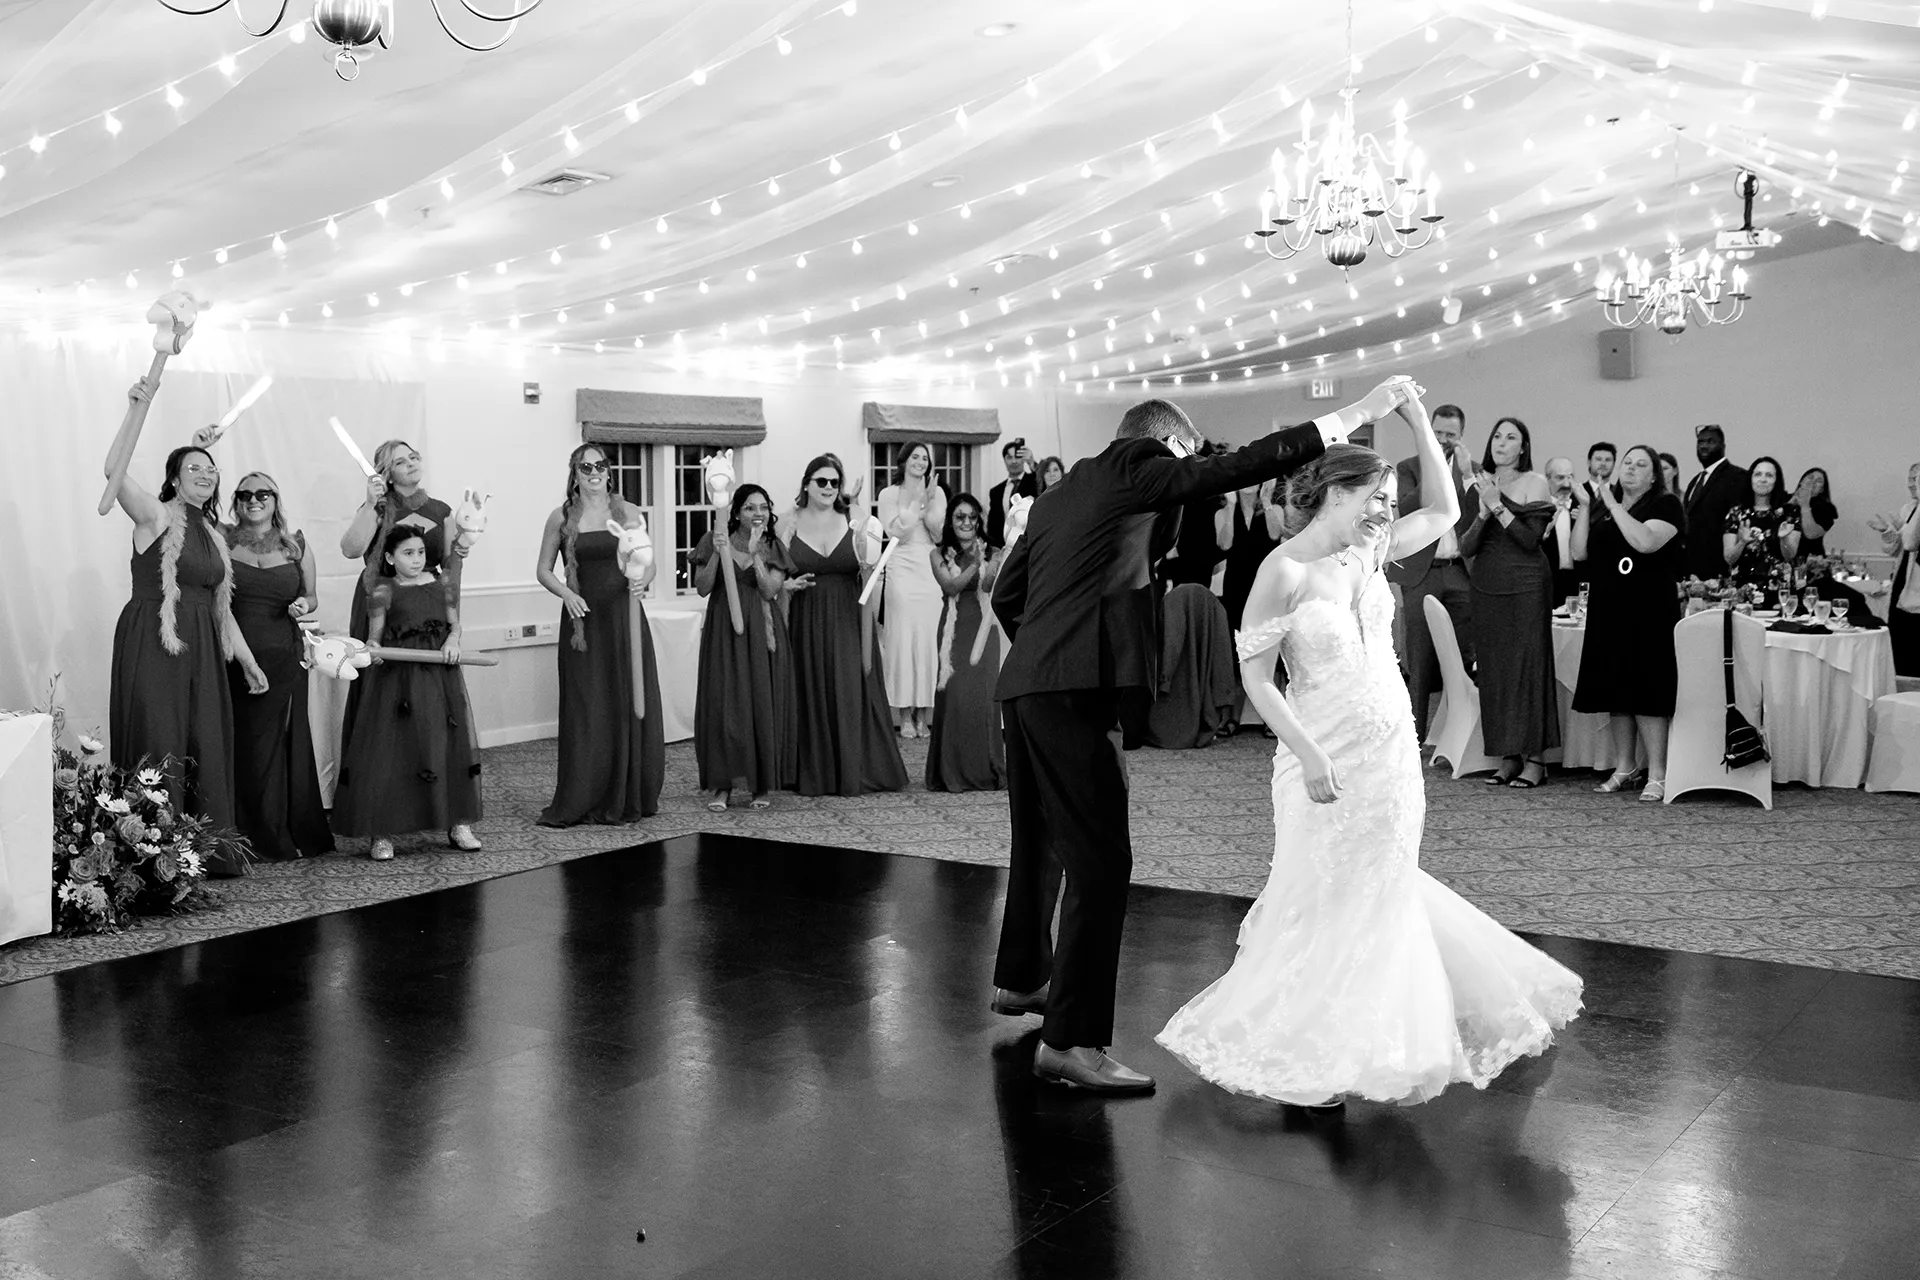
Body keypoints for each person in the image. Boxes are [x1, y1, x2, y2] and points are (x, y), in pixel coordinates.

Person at [1157, 392, 1581, 1108]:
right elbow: (1256, 680)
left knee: (1382, 888)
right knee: (1320, 894)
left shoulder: (1372, 550)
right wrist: (1309, 752)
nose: (1386, 510)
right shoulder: (1282, 571)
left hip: (1391, 758)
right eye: (1375, 497)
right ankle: (1306, 1044)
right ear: (1332, 493)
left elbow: (1446, 514)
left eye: (1389, 498)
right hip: (1318, 755)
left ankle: (1370, 1040)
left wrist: (1419, 424)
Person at [989, 378, 1412, 1096]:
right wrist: (1353, 417)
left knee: (1041, 840)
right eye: (1183, 458)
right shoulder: (1138, 467)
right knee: (1100, 860)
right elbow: (1234, 466)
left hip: (1028, 685)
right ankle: (1070, 1041)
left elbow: (1008, 593)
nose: (1183, 477)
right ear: (1167, 442)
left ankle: (1025, 980)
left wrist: (1045, 655)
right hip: (1071, 692)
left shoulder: (1065, 492)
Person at [105, 386, 268, 875]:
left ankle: (201, 855)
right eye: (192, 469)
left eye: (210, 469)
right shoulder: (156, 516)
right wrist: (137, 408)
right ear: (173, 480)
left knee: (203, 740)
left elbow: (221, 607)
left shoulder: (215, 536)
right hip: (156, 640)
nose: (205, 474)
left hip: (201, 648)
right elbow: (113, 471)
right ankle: (153, 859)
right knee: (160, 738)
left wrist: (247, 658)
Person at [330, 527, 483, 860]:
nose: (416, 559)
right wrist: (374, 650)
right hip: (395, 682)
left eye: (420, 553)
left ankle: (457, 823)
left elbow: (454, 625)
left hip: (440, 680)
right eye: (408, 553)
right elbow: (375, 637)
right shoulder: (383, 591)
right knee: (391, 751)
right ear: (389, 558)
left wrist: (453, 641)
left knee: (444, 745)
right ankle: (382, 833)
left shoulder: (443, 587)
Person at [533, 444, 665, 826]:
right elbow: (543, 570)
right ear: (574, 472)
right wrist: (567, 593)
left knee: (626, 701)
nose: (594, 472)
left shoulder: (629, 514)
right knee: (587, 706)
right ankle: (585, 793)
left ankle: (628, 792)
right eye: (585, 466)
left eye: (600, 465)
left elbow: (649, 562)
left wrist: (645, 583)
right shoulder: (560, 518)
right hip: (583, 624)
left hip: (624, 618)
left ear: (610, 471)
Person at [224, 473, 333, 860]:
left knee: (283, 743)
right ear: (236, 502)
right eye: (246, 494)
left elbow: (312, 597)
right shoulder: (221, 540)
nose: (255, 500)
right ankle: (244, 833)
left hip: (286, 656)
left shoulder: (296, 545)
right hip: (234, 659)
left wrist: (304, 605)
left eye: (263, 494)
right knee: (243, 745)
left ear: (275, 500)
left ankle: (283, 828)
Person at [786, 455, 909, 797]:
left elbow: (872, 563)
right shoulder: (788, 521)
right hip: (805, 617)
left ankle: (857, 765)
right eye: (821, 481)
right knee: (810, 686)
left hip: (849, 614)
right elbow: (775, 568)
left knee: (850, 683)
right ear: (806, 483)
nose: (828, 488)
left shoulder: (855, 517)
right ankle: (813, 769)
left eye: (834, 482)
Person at [1572, 445, 1687, 802]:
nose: (1632, 469)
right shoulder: (1607, 508)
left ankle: (1658, 773)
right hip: (1610, 606)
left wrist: (1612, 504)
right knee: (1615, 688)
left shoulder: (1665, 506)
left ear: (1655, 475)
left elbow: (1645, 542)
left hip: (1649, 608)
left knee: (1647, 691)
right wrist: (1589, 507)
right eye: (1628, 463)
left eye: (1641, 465)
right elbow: (1579, 552)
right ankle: (1625, 767)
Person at [337, 440, 460, 744]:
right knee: (382, 688)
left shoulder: (441, 510)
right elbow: (350, 550)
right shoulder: (377, 508)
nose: (411, 463)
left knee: (429, 691)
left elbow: (451, 568)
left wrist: (454, 623)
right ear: (386, 473)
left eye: (413, 457)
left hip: (426, 607)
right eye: (400, 461)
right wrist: (369, 505)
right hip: (382, 605)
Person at [1460, 418, 1560, 788]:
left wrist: (1498, 507)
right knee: (1496, 671)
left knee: (1528, 668)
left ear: (1523, 447)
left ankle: (1536, 759)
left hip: (1526, 583)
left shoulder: (1534, 482)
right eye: (1497, 436)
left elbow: (1529, 539)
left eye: (1511, 437)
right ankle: (1508, 755)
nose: (1502, 442)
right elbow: (1466, 545)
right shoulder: (1481, 483)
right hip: (1487, 585)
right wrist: (1484, 510)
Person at [691, 483, 797, 809]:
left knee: (760, 702)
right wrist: (717, 554)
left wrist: (755, 555)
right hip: (724, 628)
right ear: (736, 511)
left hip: (761, 631)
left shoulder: (771, 544)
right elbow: (702, 588)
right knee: (723, 703)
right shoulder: (712, 539)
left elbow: (769, 591)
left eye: (763, 507)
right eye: (750, 507)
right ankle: (722, 785)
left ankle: (760, 785)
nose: (758, 513)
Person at [1386, 402, 1477, 742]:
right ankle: (1414, 735)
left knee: (1464, 656)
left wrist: (1464, 474)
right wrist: (1433, 464)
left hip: (1461, 572)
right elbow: (1409, 505)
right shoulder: (1409, 467)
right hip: (1423, 572)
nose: (1442, 439)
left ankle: (1461, 733)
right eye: (1436, 433)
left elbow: (1476, 514)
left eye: (1450, 435)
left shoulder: (1474, 469)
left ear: (1461, 436)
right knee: (1420, 659)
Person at [925, 494, 1006, 792]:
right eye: (960, 516)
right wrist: (975, 562)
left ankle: (986, 771)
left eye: (972, 516)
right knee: (955, 697)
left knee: (983, 700)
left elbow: (989, 587)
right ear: (950, 520)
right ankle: (952, 771)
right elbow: (950, 586)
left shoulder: (993, 551)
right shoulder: (938, 554)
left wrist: (993, 561)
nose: (967, 522)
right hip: (954, 630)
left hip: (984, 631)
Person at [877, 441, 947, 738]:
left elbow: (940, 532)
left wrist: (930, 503)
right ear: (903, 462)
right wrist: (919, 504)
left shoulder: (938, 491)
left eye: (925, 458)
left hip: (929, 566)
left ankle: (923, 713)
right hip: (901, 567)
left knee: (926, 639)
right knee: (902, 638)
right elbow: (894, 532)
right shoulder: (888, 494)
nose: (921, 462)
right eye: (915, 457)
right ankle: (904, 714)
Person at [1869, 461, 1920, 674]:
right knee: (1897, 642)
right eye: (1909, 478)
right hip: (1902, 579)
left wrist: (1903, 530)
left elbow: (1911, 542)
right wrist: (1888, 531)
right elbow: (1896, 549)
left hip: (1917, 584)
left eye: (1915, 479)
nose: (1911, 484)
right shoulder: (1908, 508)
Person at [1722, 457, 1801, 591]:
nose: (1763, 479)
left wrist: (1783, 538)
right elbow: (1729, 559)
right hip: (1743, 590)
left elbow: (1790, 555)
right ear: (1750, 479)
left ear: (1776, 481)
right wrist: (1741, 542)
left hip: (1779, 590)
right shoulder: (1737, 513)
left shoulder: (1789, 512)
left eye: (1769, 475)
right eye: (1758, 474)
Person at [1683, 424, 1748, 582]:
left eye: (1710, 441)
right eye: (1700, 442)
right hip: (1693, 573)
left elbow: (1735, 524)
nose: (1704, 446)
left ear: (1723, 446)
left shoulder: (1737, 477)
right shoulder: (1695, 481)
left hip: (1720, 572)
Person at [1219, 480, 1284, 632]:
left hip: (1265, 584)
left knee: (1264, 636)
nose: (1249, 482)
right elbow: (1225, 544)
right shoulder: (1223, 512)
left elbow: (1275, 535)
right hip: (1235, 586)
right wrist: (1230, 506)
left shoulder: (1275, 509)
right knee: (1236, 637)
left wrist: (1266, 500)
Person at [1541, 455, 1584, 607]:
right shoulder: (1537, 508)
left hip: (1577, 581)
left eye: (1570, 477)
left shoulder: (1584, 507)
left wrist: (1586, 522)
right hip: (1546, 582)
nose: (1566, 484)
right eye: (1560, 478)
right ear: (1547, 479)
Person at [987, 438, 1040, 549]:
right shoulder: (996, 491)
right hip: (1003, 546)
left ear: (1023, 459)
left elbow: (1046, 482)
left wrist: (1032, 462)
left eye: (1017, 457)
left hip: (1029, 544)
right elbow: (993, 524)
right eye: (1009, 457)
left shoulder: (1033, 482)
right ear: (1004, 460)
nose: (1014, 461)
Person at [1791, 467, 1838, 560]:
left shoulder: (1826, 508)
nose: (1813, 482)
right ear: (1801, 481)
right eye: (1810, 477)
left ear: (1821, 489)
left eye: (1818, 481)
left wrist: (1804, 505)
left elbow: (1812, 534)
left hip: (1811, 561)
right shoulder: (1782, 500)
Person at [1581, 442, 1616, 506]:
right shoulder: (1577, 491)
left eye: (1608, 460)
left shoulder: (1620, 494)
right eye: (1598, 459)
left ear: (1614, 464)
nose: (1603, 463)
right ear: (1589, 462)